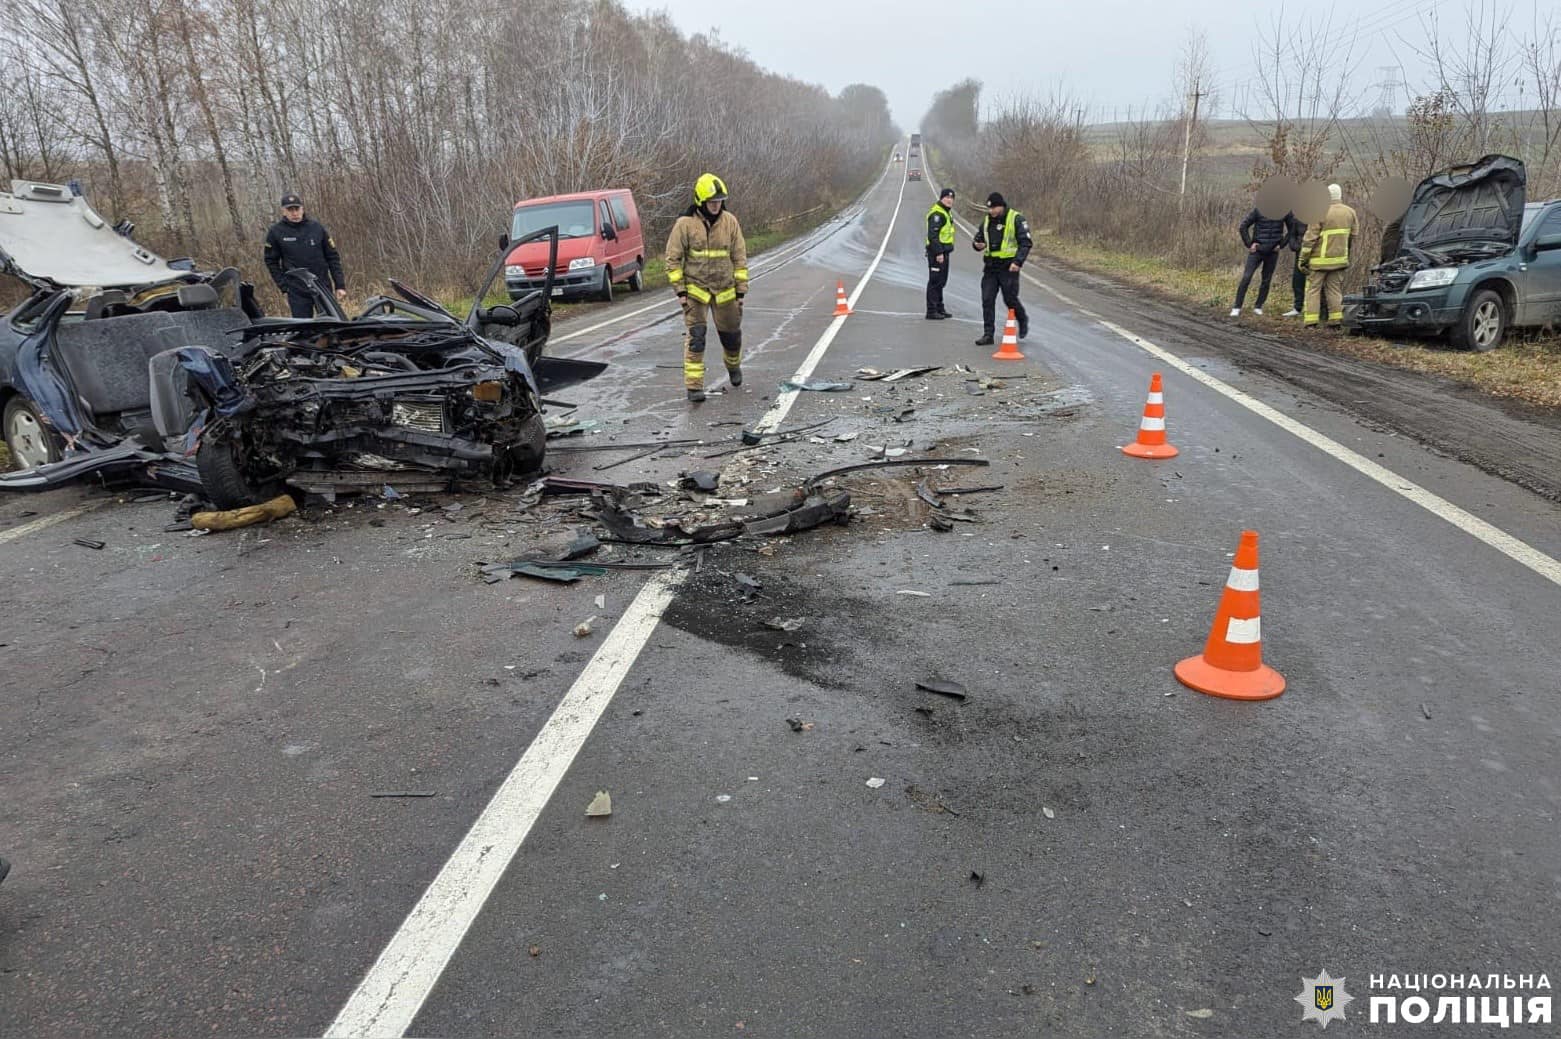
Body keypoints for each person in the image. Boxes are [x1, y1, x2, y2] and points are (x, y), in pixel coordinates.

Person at [665, 173, 749, 402]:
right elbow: (672, 260)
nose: (716, 206)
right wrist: (681, 292)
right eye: (712, 202)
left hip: (726, 291)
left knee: (732, 338)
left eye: (719, 201)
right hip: (695, 292)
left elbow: (739, 257)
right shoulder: (685, 225)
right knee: (696, 338)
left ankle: (733, 367)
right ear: (701, 201)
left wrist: (741, 291)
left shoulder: (730, 222)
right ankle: (694, 387)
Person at [263, 193, 347, 318]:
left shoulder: (317, 228)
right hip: (297, 291)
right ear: (283, 211)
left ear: (302, 209)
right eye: (290, 210)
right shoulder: (276, 232)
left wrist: (340, 285)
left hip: (322, 286)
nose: (294, 213)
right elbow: (270, 261)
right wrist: (284, 285)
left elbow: (332, 257)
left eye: (297, 209)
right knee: (304, 329)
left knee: (332, 325)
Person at [970, 192, 1032, 345]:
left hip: (1008, 267)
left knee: (1010, 299)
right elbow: (979, 239)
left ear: (1001, 206)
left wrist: (1017, 262)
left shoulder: (1016, 219)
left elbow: (1026, 243)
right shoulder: (986, 221)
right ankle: (988, 334)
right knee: (987, 299)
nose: (991, 211)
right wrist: (977, 245)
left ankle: (1022, 319)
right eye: (989, 208)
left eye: (993, 208)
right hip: (991, 267)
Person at [1299, 184, 1359, 329]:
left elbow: (1309, 240)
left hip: (1319, 261)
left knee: (1313, 290)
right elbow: (1353, 236)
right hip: (1340, 260)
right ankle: (1336, 321)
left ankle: (1311, 322)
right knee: (1334, 290)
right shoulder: (1350, 212)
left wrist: (1302, 260)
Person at [1230, 205, 1296, 317]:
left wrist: (1282, 244)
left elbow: (1292, 228)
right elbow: (1243, 226)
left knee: (1266, 280)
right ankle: (1237, 307)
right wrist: (1249, 244)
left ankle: (1258, 306)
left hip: (1273, 251)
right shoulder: (1259, 209)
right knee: (1246, 277)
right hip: (1257, 250)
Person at [925, 188, 957, 320]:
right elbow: (933, 236)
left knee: (941, 282)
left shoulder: (946, 213)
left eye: (952, 198)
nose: (950, 200)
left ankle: (939, 307)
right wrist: (938, 253)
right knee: (935, 281)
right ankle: (931, 311)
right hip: (936, 253)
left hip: (944, 252)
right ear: (941, 198)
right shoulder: (937, 214)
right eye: (947, 198)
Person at [1283, 218, 1307, 318]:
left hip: (1315, 254)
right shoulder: (1297, 218)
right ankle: (1297, 308)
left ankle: (1318, 311)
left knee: (1314, 284)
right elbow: (1292, 234)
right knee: (1297, 281)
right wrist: (1294, 245)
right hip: (1300, 254)